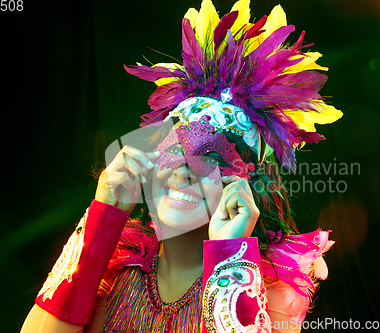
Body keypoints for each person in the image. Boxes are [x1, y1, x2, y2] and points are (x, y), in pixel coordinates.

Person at [21, 0, 342, 332]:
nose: (185, 169)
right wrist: (102, 217)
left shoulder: (272, 292)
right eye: (175, 148)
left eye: (214, 159)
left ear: (246, 186)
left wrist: (228, 257)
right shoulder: (112, 272)